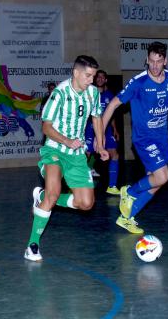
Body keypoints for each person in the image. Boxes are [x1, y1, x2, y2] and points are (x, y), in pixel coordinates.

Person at [102, 42, 168, 234]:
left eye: (158, 61)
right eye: (151, 61)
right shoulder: (138, 82)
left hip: (161, 138)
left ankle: (126, 217)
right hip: (144, 139)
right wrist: (100, 135)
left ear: (165, 61)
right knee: (164, 176)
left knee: (156, 182)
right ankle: (128, 192)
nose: (154, 66)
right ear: (146, 60)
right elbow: (112, 105)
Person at [24, 55, 109, 262]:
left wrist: (101, 145)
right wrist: (67, 140)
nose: (91, 80)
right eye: (88, 76)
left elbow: (97, 117)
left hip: (77, 155)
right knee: (53, 195)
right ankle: (32, 246)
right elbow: (46, 127)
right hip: (54, 150)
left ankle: (42, 196)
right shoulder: (59, 94)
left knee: (86, 203)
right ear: (76, 72)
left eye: (94, 76)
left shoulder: (92, 93)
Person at [84, 70, 121, 194]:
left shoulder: (110, 95)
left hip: (106, 130)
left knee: (115, 155)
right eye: (98, 77)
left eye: (102, 77)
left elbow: (112, 114)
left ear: (105, 80)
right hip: (90, 129)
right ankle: (75, 184)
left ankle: (112, 186)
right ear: (95, 79)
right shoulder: (89, 93)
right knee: (85, 155)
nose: (99, 79)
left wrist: (115, 129)